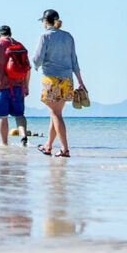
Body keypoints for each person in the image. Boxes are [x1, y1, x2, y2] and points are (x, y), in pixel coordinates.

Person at [31, 9, 85, 158]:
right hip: (67, 79)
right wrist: (80, 81)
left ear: (45, 22)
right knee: (56, 114)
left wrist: (35, 65)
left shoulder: (45, 36)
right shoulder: (68, 37)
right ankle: (48, 146)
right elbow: (74, 60)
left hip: (51, 78)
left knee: (55, 114)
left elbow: (37, 59)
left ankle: (64, 149)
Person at [0, 24, 32, 146]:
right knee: (19, 115)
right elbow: (27, 69)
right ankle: (24, 136)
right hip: (18, 86)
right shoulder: (20, 46)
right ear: (10, 33)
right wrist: (26, 85)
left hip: (1, 87)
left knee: (3, 117)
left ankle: (4, 144)